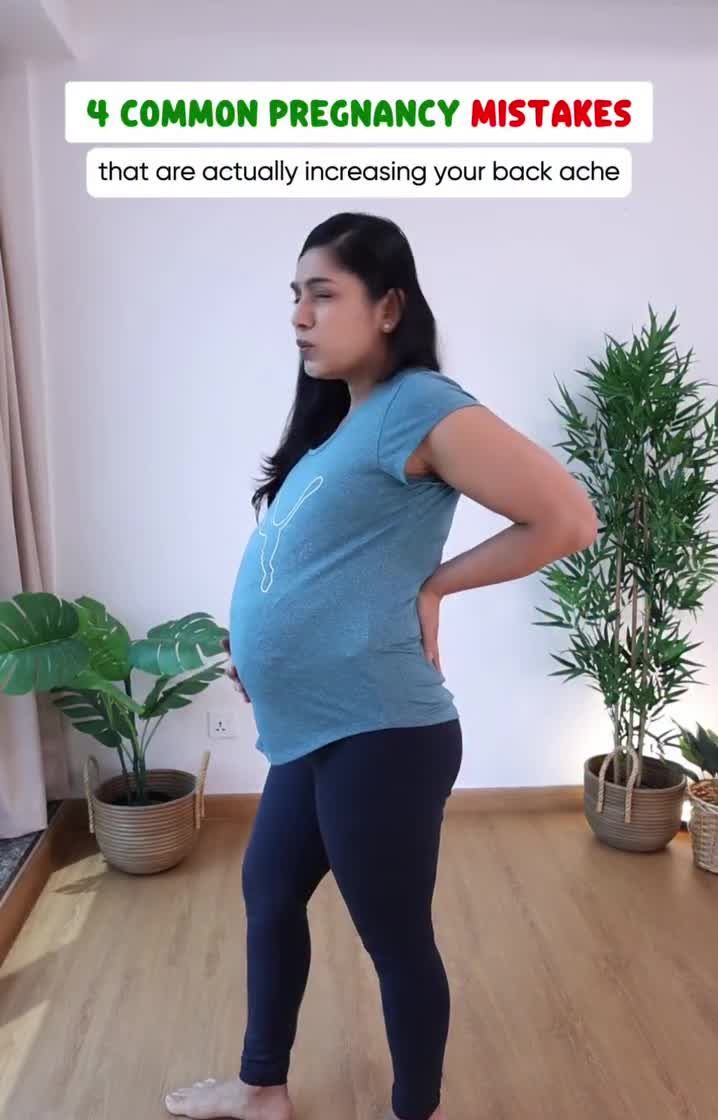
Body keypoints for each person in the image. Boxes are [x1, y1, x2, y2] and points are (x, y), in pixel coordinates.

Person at [165, 212, 597, 1120]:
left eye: (323, 295)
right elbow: (322, 572)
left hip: (385, 732)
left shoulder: (420, 404)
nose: (299, 316)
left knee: (393, 939)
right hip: (316, 727)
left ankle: (416, 1111)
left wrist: (437, 585)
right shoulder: (342, 428)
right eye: (296, 296)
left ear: (389, 306)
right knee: (270, 893)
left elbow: (566, 518)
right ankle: (262, 1088)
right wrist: (266, 653)